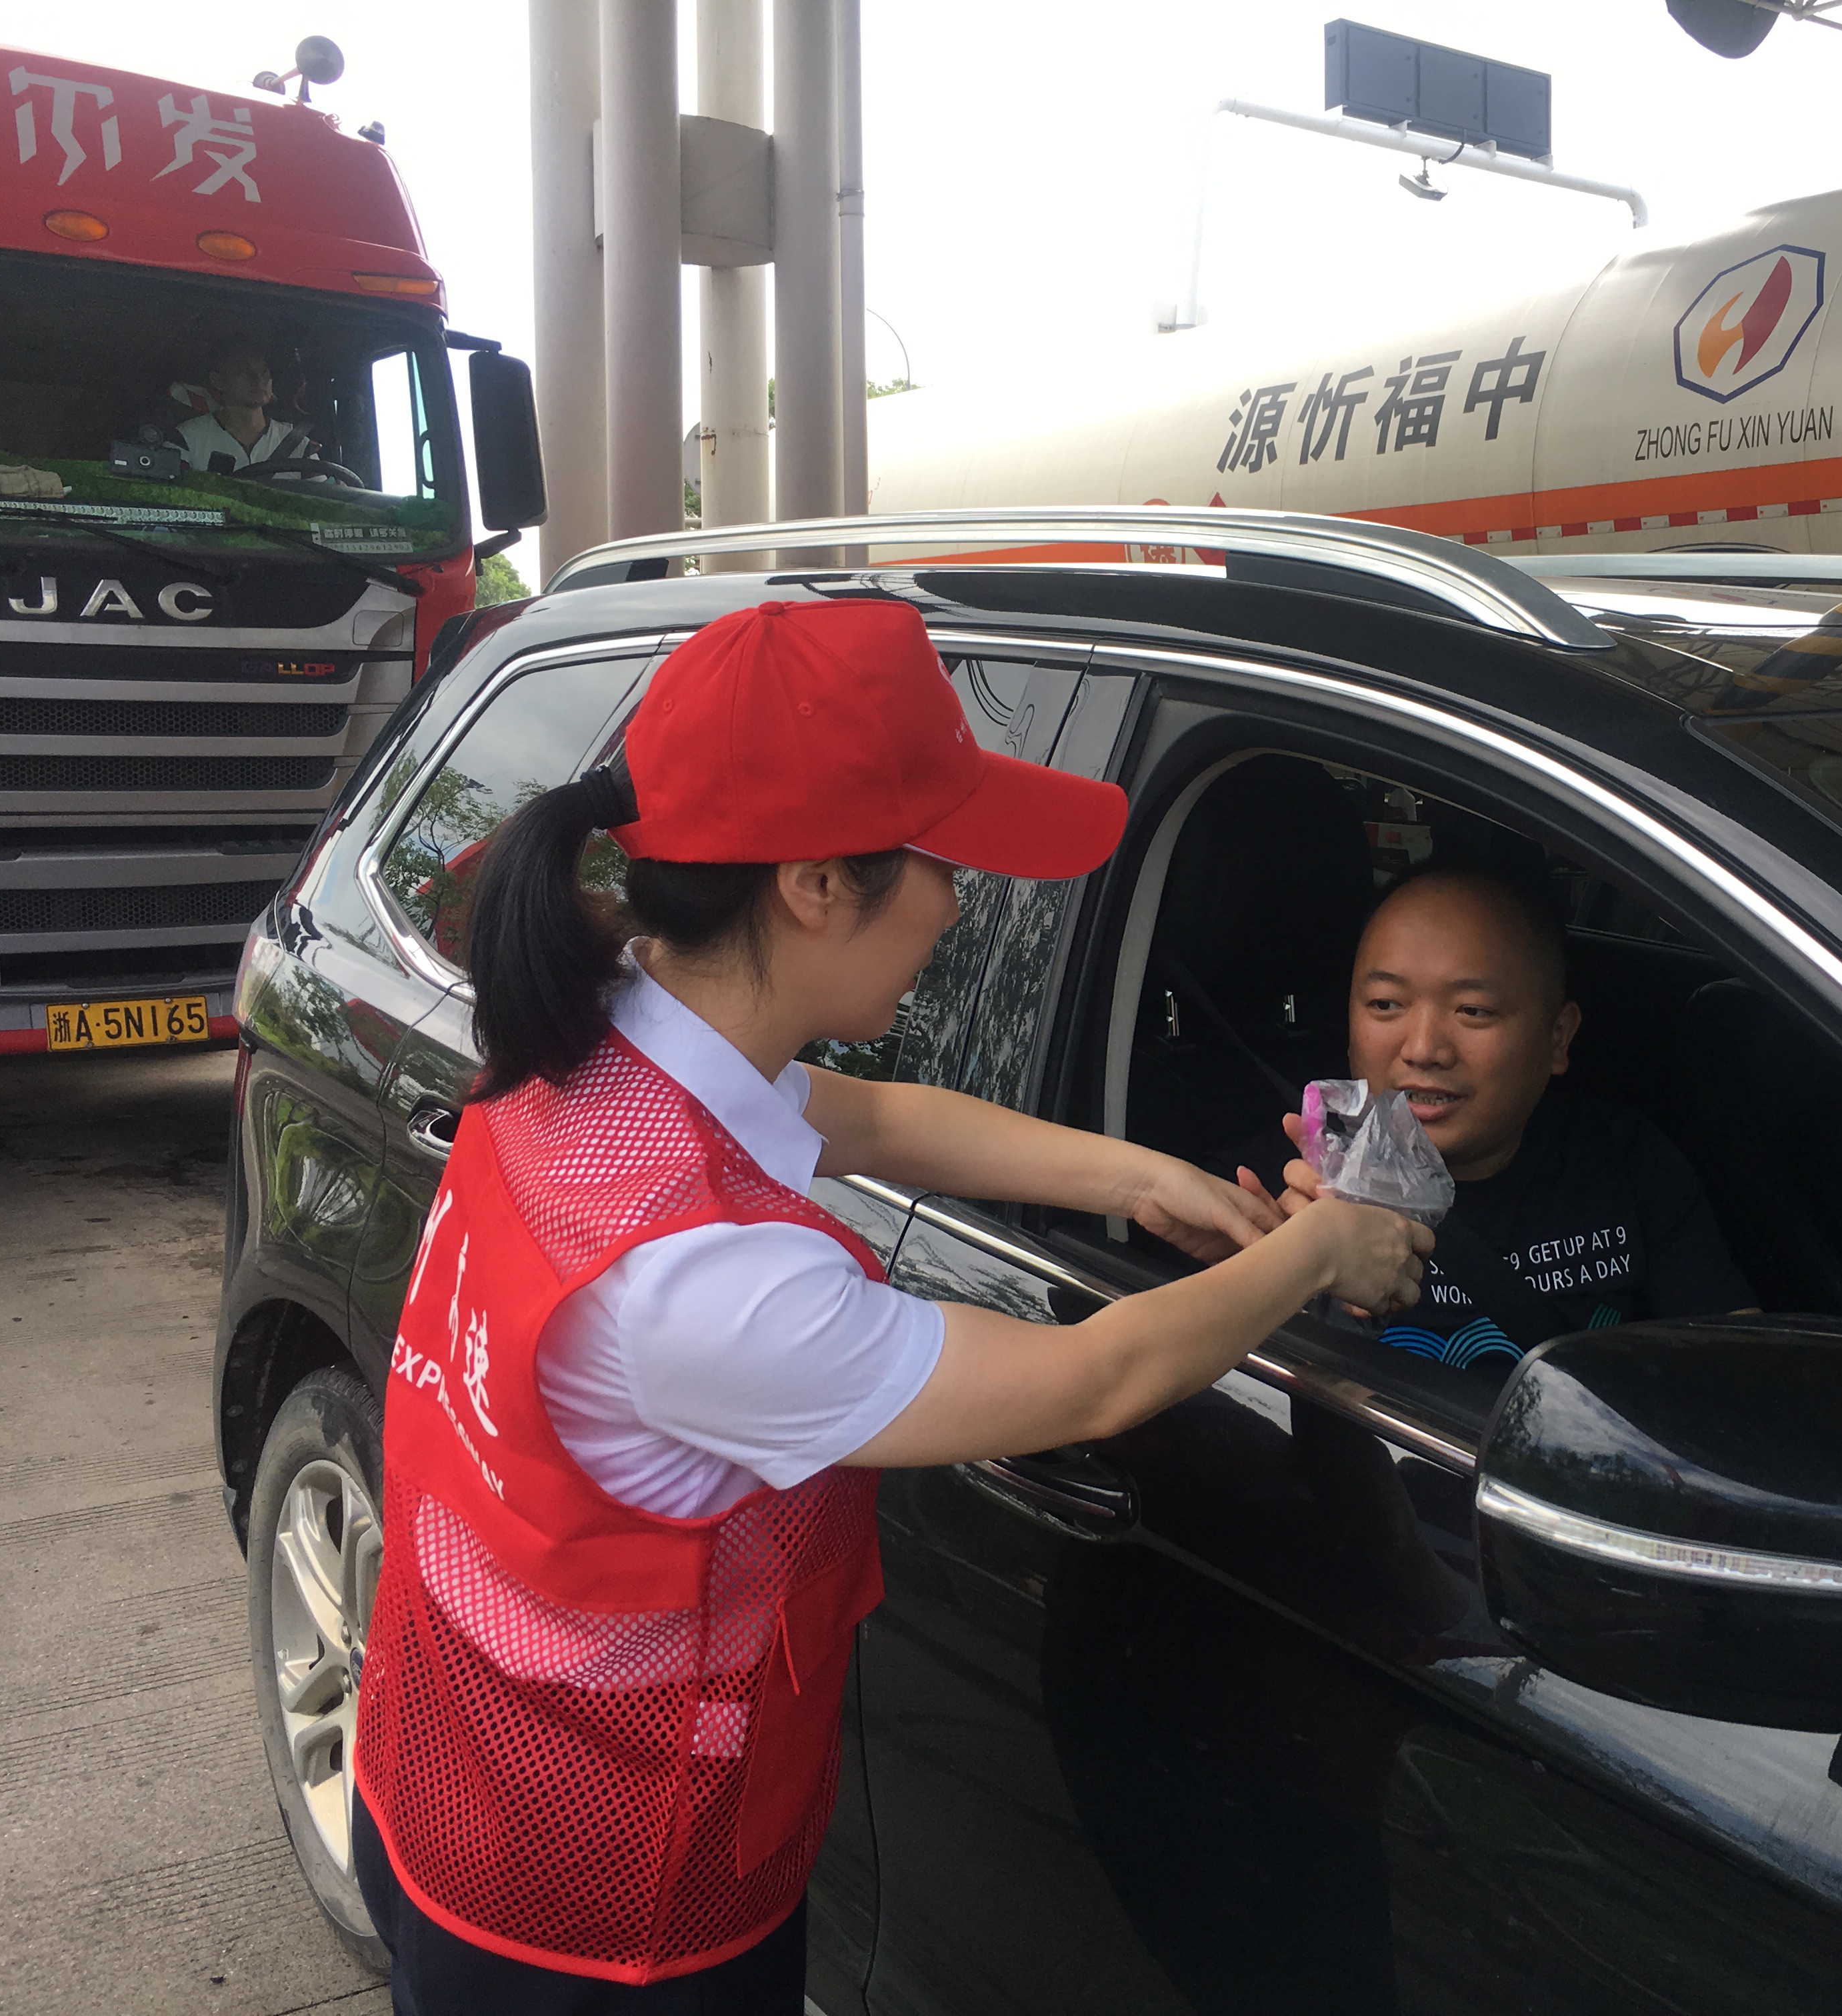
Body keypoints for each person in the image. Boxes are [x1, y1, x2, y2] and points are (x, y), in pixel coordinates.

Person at [347, 599, 1430, 2013]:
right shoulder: (707, 1282)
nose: (961, 906)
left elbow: (872, 1118)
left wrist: (1141, 1176)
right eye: (943, 860)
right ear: (813, 883)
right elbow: (1094, 1380)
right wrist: (1324, 1246)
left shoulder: (607, 1030)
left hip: (448, 1771)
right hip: (606, 1923)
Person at [1239, 866, 1842, 1371]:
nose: (1423, 1047)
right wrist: (1298, 1273)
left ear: (1558, 1038)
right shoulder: (1291, 1190)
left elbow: (1737, 1376)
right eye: (1385, 1005)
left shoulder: (1624, 1161)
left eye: (1473, 1011)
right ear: (1350, 1029)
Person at [175, 333, 298, 473]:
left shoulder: (299, 446)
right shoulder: (186, 440)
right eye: (244, 372)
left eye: (264, 372)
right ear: (218, 381)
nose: (258, 379)